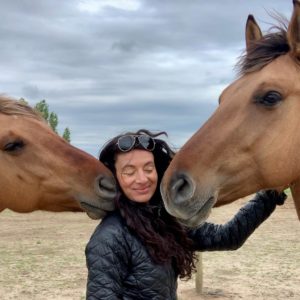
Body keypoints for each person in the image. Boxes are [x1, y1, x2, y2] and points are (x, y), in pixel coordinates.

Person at [85, 129, 286, 300]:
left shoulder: (166, 220)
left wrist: (269, 194)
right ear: (114, 177)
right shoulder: (109, 238)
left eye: (148, 168)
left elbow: (229, 236)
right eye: (129, 172)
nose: (142, 179)